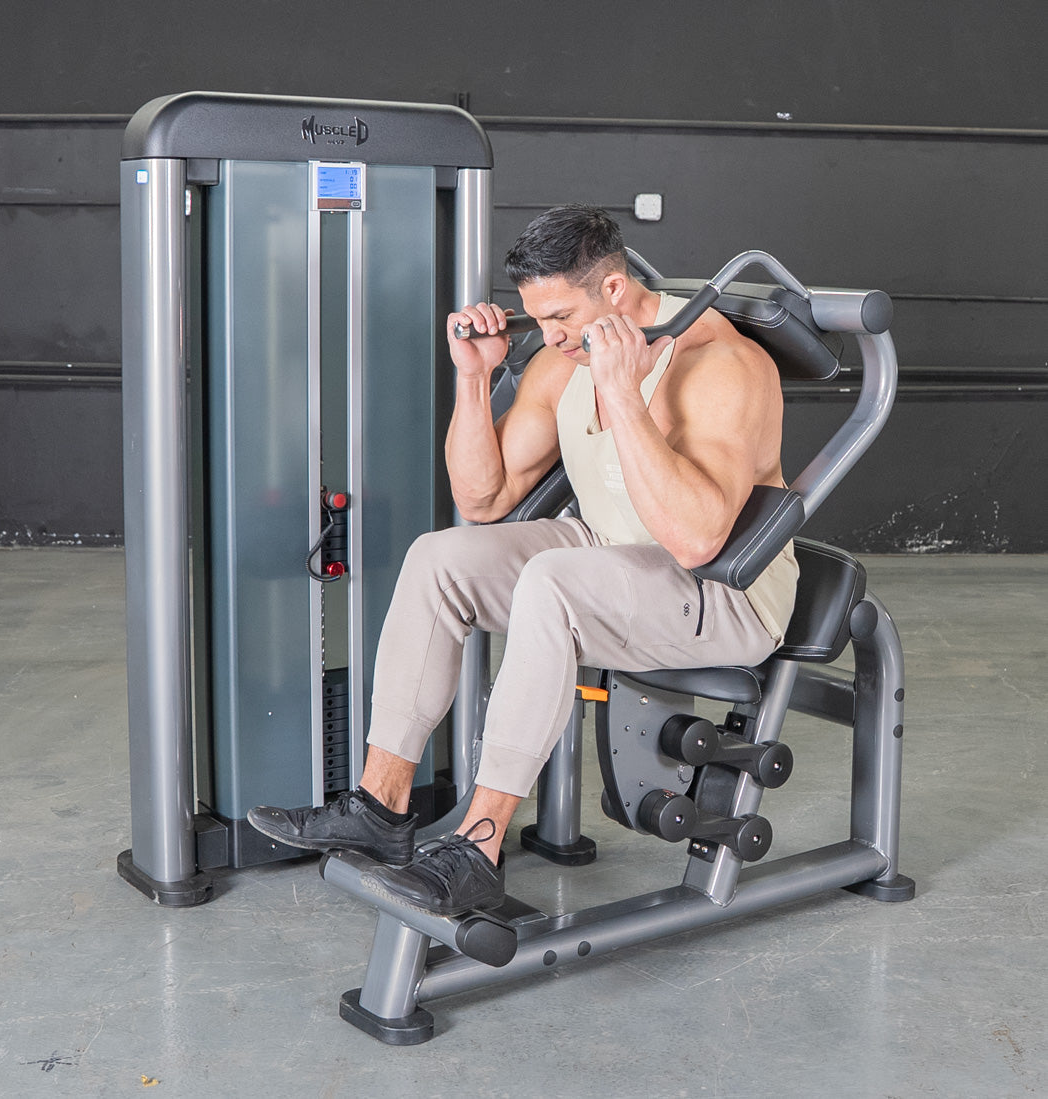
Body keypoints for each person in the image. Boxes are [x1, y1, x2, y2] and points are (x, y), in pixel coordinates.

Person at [249, 205, 798, 916]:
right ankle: (381, 806)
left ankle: (478, 846)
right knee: (441, 557)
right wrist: (474, 380)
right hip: (610, 554)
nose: (550, 337)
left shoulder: (726, 366)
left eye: (562, 316)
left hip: (724, 589)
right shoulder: (561, 359)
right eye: (538, 319)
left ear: (613, 293)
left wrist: (624, 395)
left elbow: (697, 541)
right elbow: (482, 496)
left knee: (553, 582)